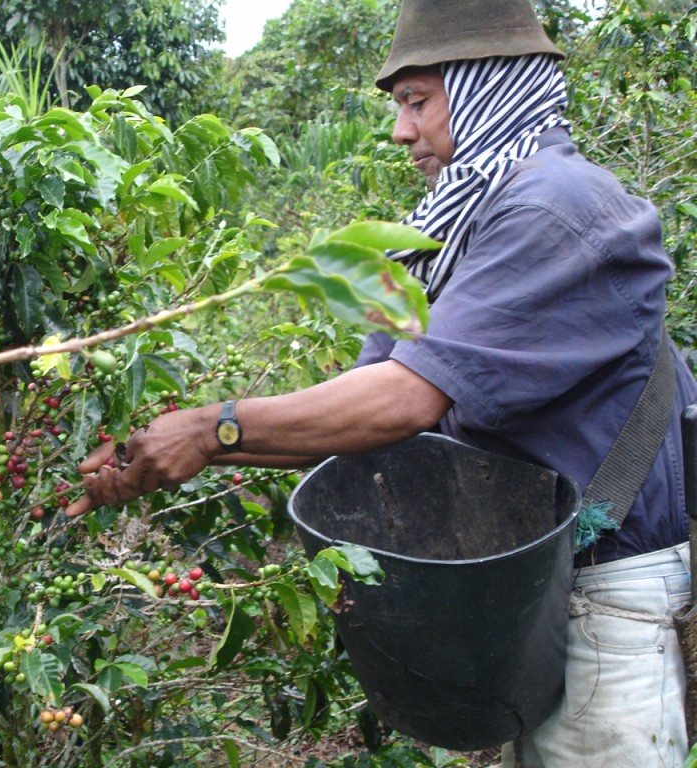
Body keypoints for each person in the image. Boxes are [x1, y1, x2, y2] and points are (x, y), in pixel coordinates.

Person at [67, 0, 697, 764]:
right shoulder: (466, 220)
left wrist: (210, 428)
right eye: (401, 106)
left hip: (608, 588)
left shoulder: (552, 207)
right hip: (543, 591)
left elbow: (403, 401)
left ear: (489, 86)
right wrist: (174, 453)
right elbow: (359, 415)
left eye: (418, 101)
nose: (402, 132)